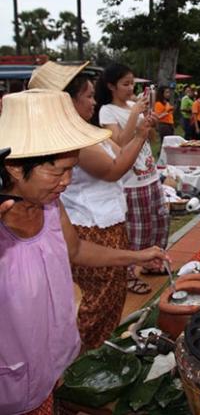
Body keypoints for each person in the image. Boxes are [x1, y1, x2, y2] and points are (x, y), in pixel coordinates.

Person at [0, 89, 168, 415]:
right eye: (57, 170)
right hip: (12, 376)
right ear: (17, 169)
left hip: (58, 352)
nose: (66, 181)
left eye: (71, 169)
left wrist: (138, 256)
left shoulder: (49, 205)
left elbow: (75, 251)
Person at [29, 61, 157, 347]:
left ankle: (98, 354)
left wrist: (138, 130)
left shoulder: (84, 133)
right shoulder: (73, 142)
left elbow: (118, 151)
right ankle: (82, 360)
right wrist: (140, 134)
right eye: (87, 96)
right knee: (93, 304)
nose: (94, 100)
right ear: (66, 102)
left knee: (109, 298)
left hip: (106, 224)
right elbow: (113, 170)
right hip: (91, 227)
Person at [95, 64, 169, 294]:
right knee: (136, 231)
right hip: (130, 181)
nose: (130, 88)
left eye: (132, 83)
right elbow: (117, 143)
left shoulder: (131, 105)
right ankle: (127, 275)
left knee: (159, 223)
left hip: (150, 174)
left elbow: (148, 139)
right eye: (125, 84)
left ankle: (151, 263)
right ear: (110, 86)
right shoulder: (107, 110)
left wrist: (150, 122)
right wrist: (136, 114)